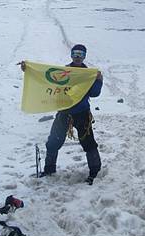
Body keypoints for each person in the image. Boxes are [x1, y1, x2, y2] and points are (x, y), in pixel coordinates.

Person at [20, 44, 103, 185]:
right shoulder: (63, 71)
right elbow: (47, 81)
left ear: (84, 56)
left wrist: (98, 80)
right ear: (71, 55)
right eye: (75, 53)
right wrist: (29, 70)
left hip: (82, 114)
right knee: (53, 142)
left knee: (88, 143)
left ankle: (95, 172)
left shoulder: (88, 74)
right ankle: (49, 170)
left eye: (81, 54)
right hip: (64, 113)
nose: (77, 57)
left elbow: (94, 93)